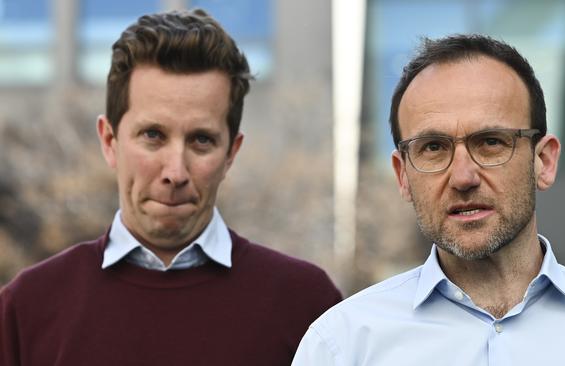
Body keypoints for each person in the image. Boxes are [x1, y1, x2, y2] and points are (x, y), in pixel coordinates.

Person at [0, 9, 341, 366]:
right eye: (153, 136)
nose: (175, 171)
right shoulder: (26, 309)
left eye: (201, 140)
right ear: (109, 140)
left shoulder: (307, 306)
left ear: (231, 153)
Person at [292, 34, 565, 365]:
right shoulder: (341, 346)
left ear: (544, 161)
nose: (463, 177)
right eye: (433, 148)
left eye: (491, 142)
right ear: (403, 176)